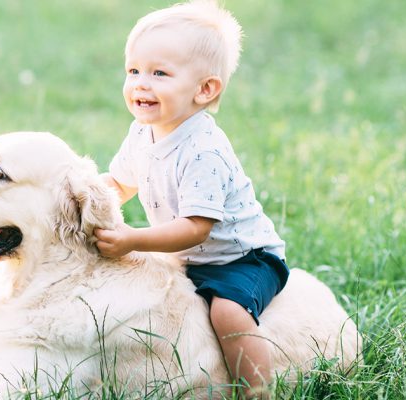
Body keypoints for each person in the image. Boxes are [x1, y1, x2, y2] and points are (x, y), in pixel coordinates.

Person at [94, 1, 289, 397]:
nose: (140, 84)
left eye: (159, 73)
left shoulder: (203, 150)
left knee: (227, 312)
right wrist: (87, 198)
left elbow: (196, 229)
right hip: (186, 259)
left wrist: (132, 240)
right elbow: (119, 181)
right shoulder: (141, 132)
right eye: (133, 70)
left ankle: (259, 389)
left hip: (241, 259)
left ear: (205, 89)